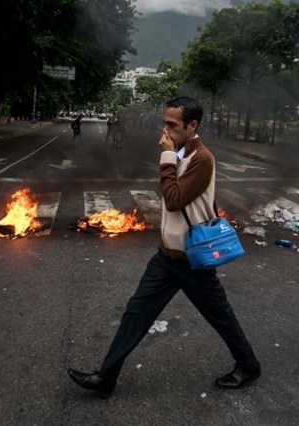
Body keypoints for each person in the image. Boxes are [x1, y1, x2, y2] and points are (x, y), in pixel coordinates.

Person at [68, 96, 260, 398]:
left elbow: (173, 198)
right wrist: (172, 155)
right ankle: (106, 377)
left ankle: (249, 366)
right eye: (164, 123)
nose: (166, 130)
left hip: (192, 259)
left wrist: (167, 158)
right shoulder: (182, 151)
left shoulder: (201, 159)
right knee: (136, 312)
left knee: (220, 315)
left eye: (172, 124)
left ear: (192, 125)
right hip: (166, 257)